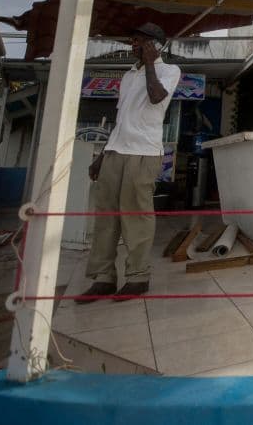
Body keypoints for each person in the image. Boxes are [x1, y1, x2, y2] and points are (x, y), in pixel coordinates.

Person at [78, 23, 181, 303]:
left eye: (140, 40)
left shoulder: (169, 71)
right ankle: (103, 278)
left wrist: (150, 64)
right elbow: (121, 119)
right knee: (106, 217)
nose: (133, 44)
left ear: (156, 45)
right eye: (133, 40)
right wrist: (103, 155)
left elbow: (156, 97)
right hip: (116, 152)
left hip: (143, 153)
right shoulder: (128, 76)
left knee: (136, 217)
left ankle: (138, 277)